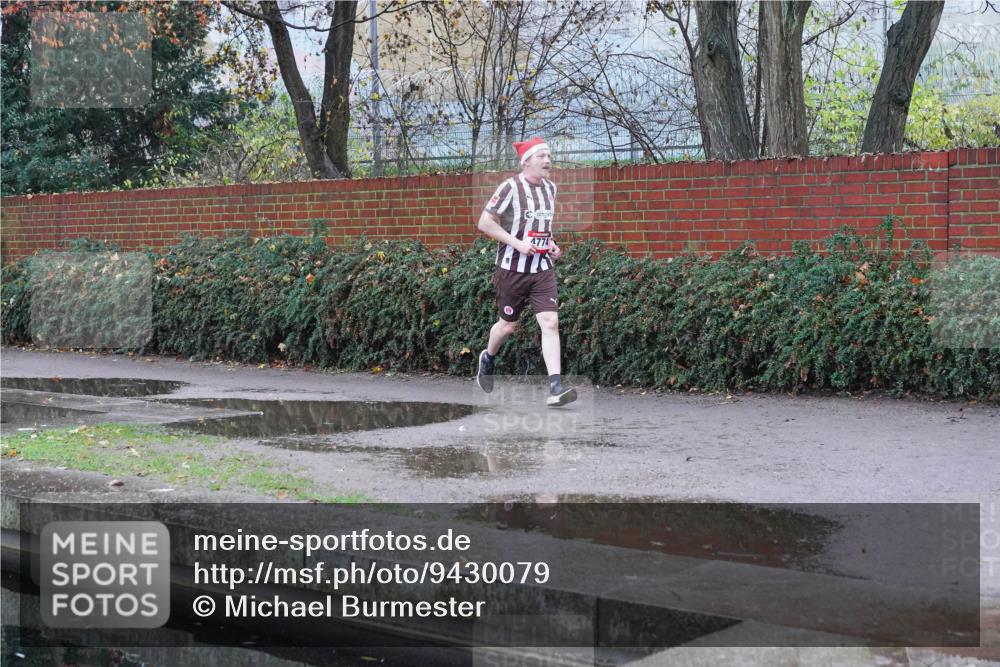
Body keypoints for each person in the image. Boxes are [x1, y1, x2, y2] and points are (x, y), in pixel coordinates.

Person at [474, 137, 576, 407]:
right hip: (512, 270)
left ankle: (555, 386)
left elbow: (543, 227)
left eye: (549, 156)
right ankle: (488, 357)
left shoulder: (550, 189)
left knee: (550, 323)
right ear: (526, 161)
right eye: (542, 156)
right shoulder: (510, 187)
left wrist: (552, 244)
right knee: (507, 326)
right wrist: (517, 243)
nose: (548, 160)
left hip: (542, 268)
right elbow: (484, 222)